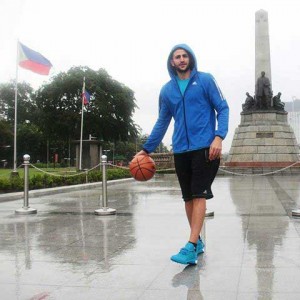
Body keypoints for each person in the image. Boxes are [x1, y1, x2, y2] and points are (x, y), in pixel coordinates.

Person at [136, 44, 229, 265]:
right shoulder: (167, 90)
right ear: (171, 62)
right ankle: (197, 243)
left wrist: (219, 136)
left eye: (184, 55)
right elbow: (162, 121)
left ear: (190, 58)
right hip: (181, 150)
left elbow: (223, 108)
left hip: (205, 148)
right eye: (177, 57)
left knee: (199, 195)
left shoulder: (205, 80)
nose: (181, 59)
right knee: (188, 198)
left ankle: (190, 245)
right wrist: (146, 148)